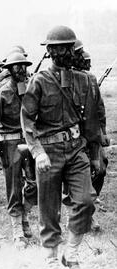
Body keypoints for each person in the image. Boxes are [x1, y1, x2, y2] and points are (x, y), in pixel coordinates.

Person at [21, 26, 97, 269]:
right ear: (50, 51)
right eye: (58, 47)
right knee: (49, 211)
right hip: (49, 152)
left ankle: (72, 253)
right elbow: (27, 121)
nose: (63, 52)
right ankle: (52, 262)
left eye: (67, 47)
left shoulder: (84, 80)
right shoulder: (39, 81)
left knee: (85, 201)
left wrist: (95, 153)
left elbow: (91, 122)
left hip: (77, 150)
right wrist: (37, 152)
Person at [0, 52, 37, 248]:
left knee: (37, 183)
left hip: (31, 142)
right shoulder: (1, 94)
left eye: (24, 66)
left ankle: (25, 213)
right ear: (10, 69)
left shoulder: (32, 90)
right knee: (14, 188)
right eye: (17, 66)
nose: (21, 69)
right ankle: (17, 230)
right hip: (10, 144)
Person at [71, 46, 108, 232]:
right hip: (74, 139)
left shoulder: (90, 79)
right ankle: (87, 215)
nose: (87, 63)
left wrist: (103, 131)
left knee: (101, 168)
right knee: (80, 175)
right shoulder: (65, 77)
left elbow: (99, 107)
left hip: (91, 135)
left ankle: (91, 201)